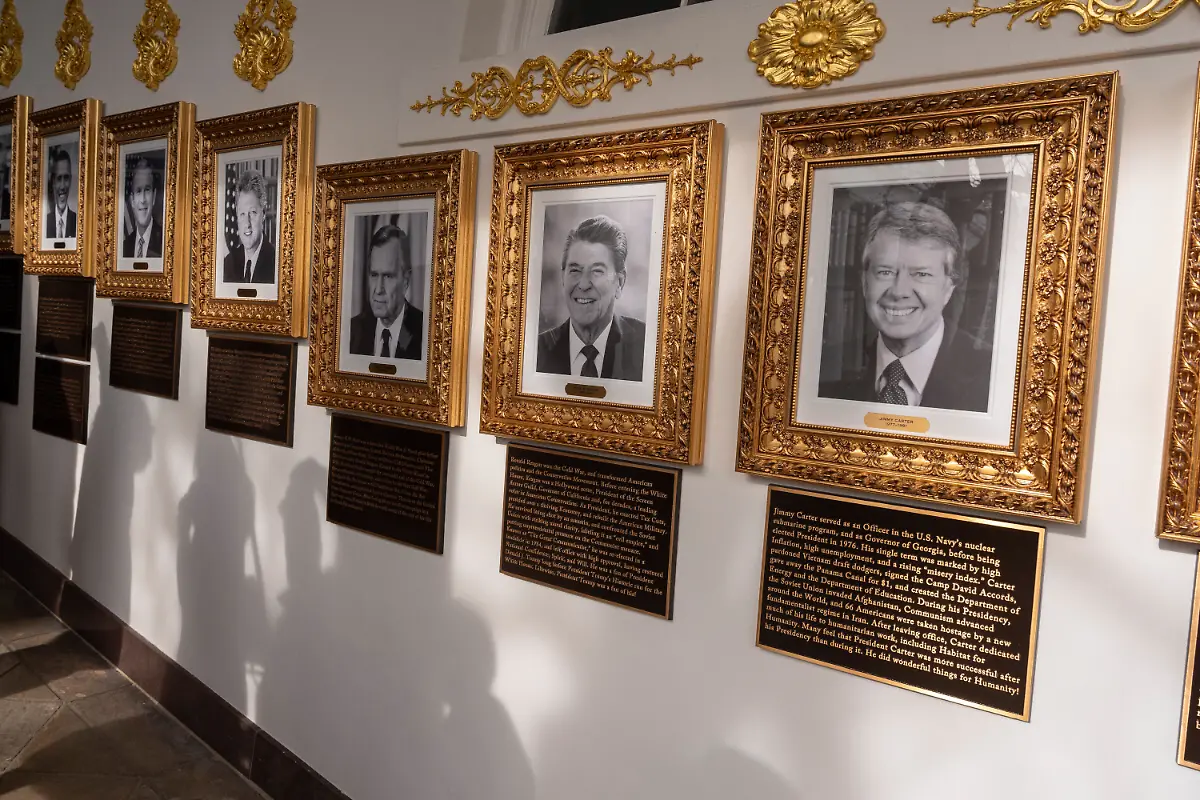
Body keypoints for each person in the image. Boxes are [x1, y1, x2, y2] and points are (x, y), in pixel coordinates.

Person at [818, 201, 992, 412]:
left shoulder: (995, 378)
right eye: (885, 272)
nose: (899, 291)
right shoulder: (823, 369)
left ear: (949, 287)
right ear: (864, 282)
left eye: (921, 274)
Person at [536, 214, 645, 381]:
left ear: (620, 283)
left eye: (597, 271)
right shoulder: (536, 353)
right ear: (563, 278)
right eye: (575, 270)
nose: (584, 284)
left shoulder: (647, 349)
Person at [348, 224, 424, 359]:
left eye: (388, 276)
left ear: (406, 281)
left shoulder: (425, 332)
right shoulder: (352, 331)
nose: (378, 289)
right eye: (374, 275)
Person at [221, 169, 275, 284]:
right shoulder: (228, 263)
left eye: (252, 213)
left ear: (263, 214)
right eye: (242, 214)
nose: (247, 224)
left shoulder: (277, 263)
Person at [121, 157, 163, 258]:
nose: (143, 200)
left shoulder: (165, 241)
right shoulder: (125, 246)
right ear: (132, 200)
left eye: (147, 190)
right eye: (138, 191)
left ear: (153, 196)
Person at [44, 147, 76, 240]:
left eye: (66, 178)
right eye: (59, 178)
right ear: (53, 181)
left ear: (70, 180)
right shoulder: (44, 223)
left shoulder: (78, 221)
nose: (62, 186)